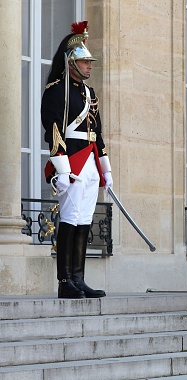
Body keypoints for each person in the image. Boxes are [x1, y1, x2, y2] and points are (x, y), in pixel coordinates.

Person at [41, 21, 111, 299]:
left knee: (84, 219)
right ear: (71, 62)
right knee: (70, 218)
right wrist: (61, 167)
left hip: (91, 160)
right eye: (84, 62)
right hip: (72, 161)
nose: (90, 66)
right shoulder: (57, 90)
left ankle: (79, 278)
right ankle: (64, 281)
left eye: (89, 62)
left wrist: (105, 164)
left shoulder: (89, 93)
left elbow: (98, 132)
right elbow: (54, 130)